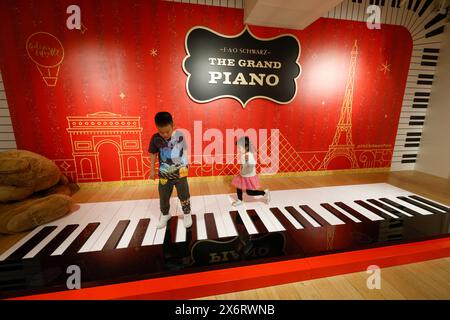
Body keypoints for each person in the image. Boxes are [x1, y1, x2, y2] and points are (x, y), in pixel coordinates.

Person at [149, 111, 192, 229]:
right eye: (161, 132)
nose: (164, 134)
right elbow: (152, 154)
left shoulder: (179, 135)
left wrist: (186, 165)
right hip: (164, 175)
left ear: (173, 125)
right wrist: (152, 169)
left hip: (180, 174)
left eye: (167, 131)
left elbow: (185, 152)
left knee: (184, 194)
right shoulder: (155, 138)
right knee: (163, 196)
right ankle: (165, 214)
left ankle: (187, 213)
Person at [231, 136, 270, 206]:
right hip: (243, 174)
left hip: (248, 176)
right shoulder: (244, 155)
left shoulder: (247, 156)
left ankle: (264, 192)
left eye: (240, 148)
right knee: (239, 187)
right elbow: (244, 165)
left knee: (250, 192)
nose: (239, 150)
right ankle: (240, 200)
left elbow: (251, 166)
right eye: (238, 148)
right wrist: (242, 170)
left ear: (246, 147)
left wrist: (243, 171)